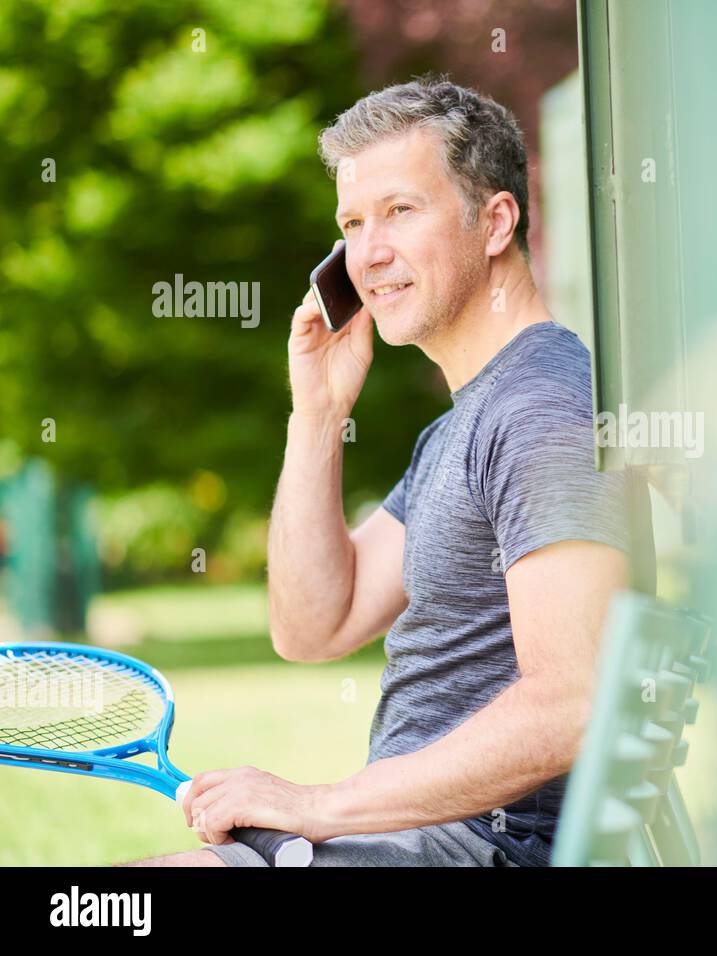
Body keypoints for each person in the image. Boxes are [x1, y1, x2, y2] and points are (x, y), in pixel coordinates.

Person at [124, 75, 648, 867]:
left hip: (473, 850)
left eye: (401, 211)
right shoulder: (462, 425)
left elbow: (574, 701)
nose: (369, 254)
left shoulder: (541, 408)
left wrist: (318, 805)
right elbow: (312, 626)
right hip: (411, 842)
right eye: (352, 224)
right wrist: (319, 413)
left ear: (495, 221)